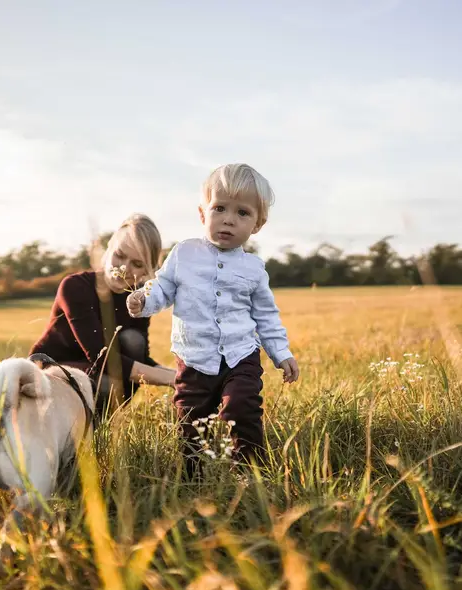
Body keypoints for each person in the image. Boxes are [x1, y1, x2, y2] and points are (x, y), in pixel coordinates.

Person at [127, 163, 299, 477]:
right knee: (190, 418)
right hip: (194, 357)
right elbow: (163, 288)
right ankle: (193, 474)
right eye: (219, 208)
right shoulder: (184, 254)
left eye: (243, 213)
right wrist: (144, 301)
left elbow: (265, 316)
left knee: (242, 407)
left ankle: (248, 471)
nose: (229, 219)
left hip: (240, 355)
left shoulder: (254, 269)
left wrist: (281, 352)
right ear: (203, 213)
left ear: (257, 225)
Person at [29, 214, 176, 416]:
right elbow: (100, 356)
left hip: (97, 375)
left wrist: (180, 377)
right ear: (108, 249)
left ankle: (97, 428)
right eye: (120, 255)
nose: (124, 267)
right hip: (52, 369)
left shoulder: (138, 300)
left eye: (137, 264)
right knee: (106, 386)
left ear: (147, 271)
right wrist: (170, 378)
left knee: (133, 341)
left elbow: (141, 358)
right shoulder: (75, 286)